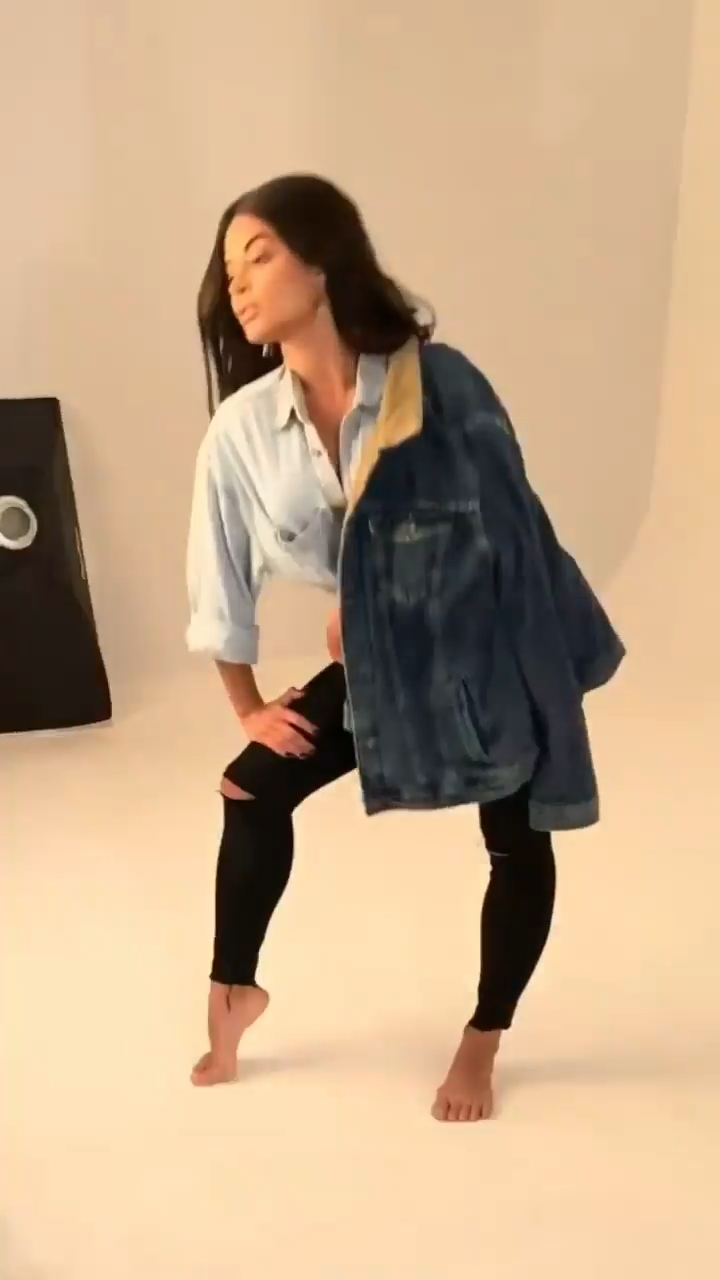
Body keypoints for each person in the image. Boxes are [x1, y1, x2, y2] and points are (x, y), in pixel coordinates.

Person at [186, 173, 623, 1122]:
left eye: (259, 256)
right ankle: (233, 992)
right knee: (251, 787)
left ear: (322, 261)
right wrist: (249, 707)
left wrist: (393, 589)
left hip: (484, 646)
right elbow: (217, 578)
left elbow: (512, 533)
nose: (239, 284)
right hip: (376, 668)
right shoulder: (242, 431)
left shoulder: (441, 384)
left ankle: (483, 1037)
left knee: (518, 835)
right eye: (229, 270)